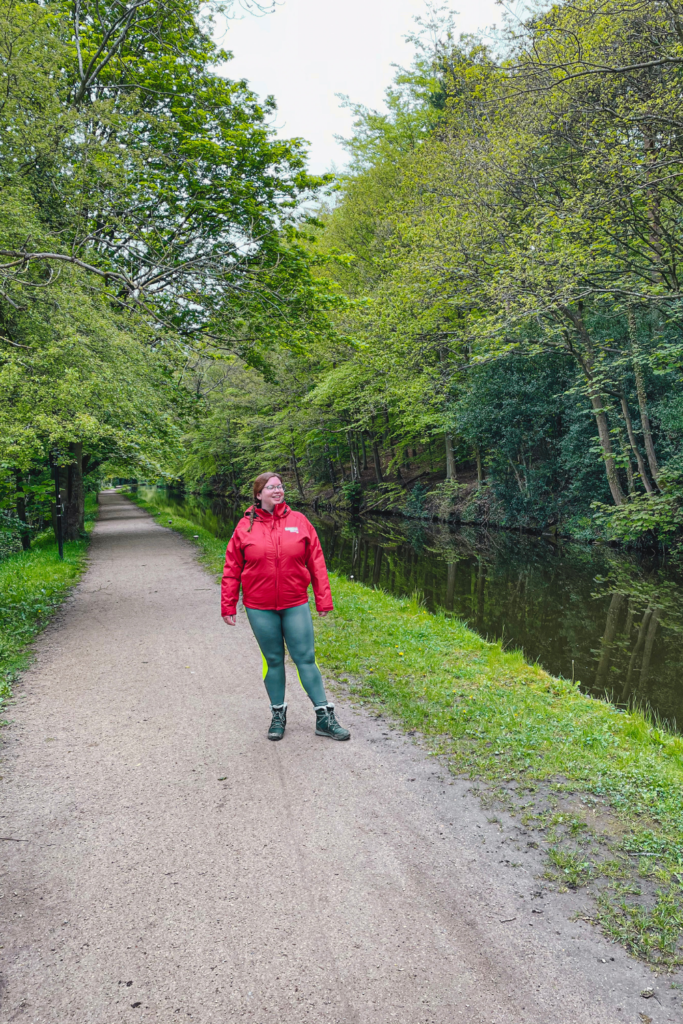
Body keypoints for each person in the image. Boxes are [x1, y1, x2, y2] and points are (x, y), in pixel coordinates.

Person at [221, 472, 350, 742]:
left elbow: (316, 561)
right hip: (259, 606)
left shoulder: (299, 521)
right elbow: (232, 567)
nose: (277, 491)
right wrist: (228, 604)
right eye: (271, 487)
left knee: (305, 658)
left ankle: (324, 716)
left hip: (295, 603)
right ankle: (278, 714)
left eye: (280, 486)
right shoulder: (244, 527)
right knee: (274, 660)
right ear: (258, 494)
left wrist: (323, 599)